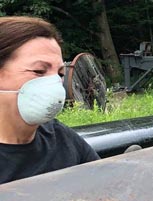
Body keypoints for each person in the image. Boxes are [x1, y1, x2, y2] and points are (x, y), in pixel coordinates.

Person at [0, 16, 99, 185]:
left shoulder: (60, 136)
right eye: (39, 71)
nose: (54, 83)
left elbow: (103, 187)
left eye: (60, 74)